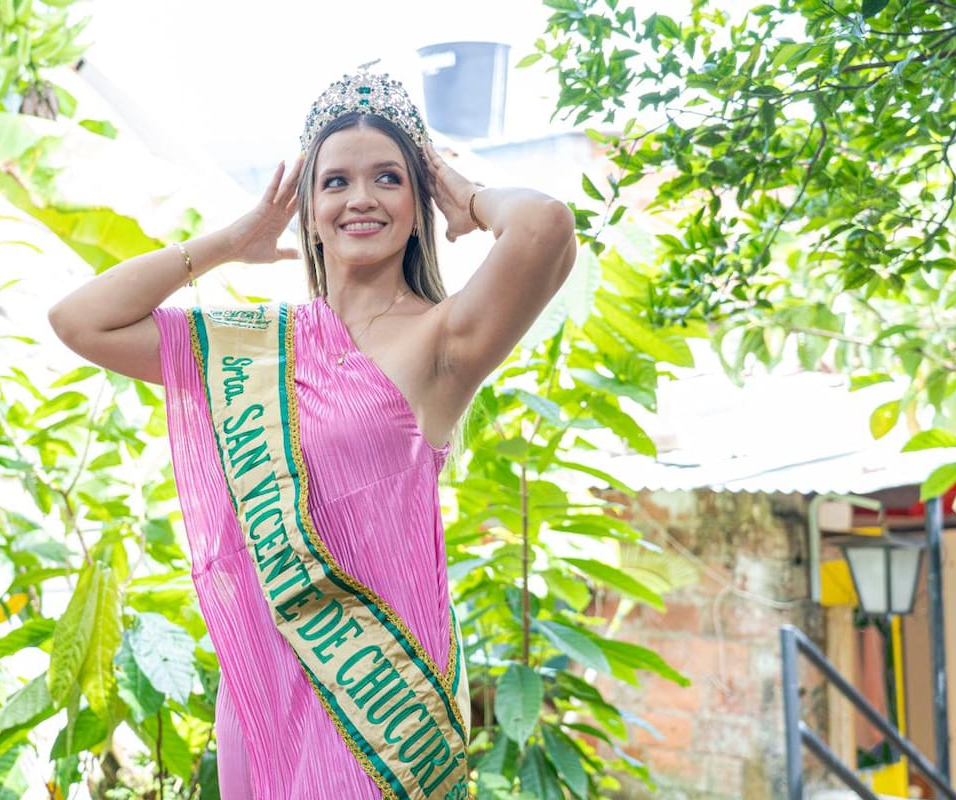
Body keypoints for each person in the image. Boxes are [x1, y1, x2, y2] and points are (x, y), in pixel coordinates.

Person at [49, 67, 576, 800]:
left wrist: (458, 192)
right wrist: (234, 240)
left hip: (383, 712)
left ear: (415, 202)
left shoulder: (444, 340)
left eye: (388, 178)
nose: (360, 199)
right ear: (308, 208)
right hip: (265, 700)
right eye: (335, 183)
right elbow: (81, 321)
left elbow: (545, 227)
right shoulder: (254, 346)